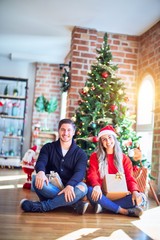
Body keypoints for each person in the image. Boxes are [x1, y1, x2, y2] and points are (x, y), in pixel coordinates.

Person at [20, 118, 89, 214]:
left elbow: (80, 172)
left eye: (69, 130)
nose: (65, 133)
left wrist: (70, 185)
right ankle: (74, 203)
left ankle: (43, 206)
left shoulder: (81, 153)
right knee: (36, 180)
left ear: (73, 132)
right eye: (63, 129)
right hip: (50, 186)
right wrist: (40, 172)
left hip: (71, 186)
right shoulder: (48, 147)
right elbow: (41, 162)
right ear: (59, 131)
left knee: (83, 188)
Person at [86, 125, 147, 217]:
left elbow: (129, 177)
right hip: (101, 194)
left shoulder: (124, 158)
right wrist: (96, 186)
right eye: (104, 139)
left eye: (110, 137)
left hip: (119, 195)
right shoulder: (95, 156)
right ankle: (123, 211)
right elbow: (92, 174)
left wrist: (135, 191)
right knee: (90, 190)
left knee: (140, 197)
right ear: (101, 143)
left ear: (114, 139)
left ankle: (104, 206)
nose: (108, 141)